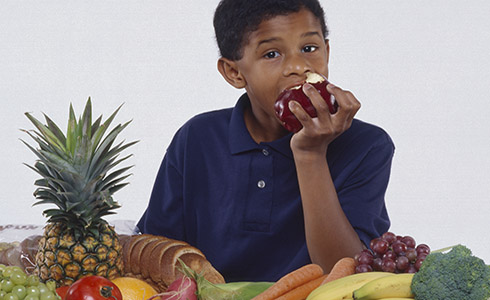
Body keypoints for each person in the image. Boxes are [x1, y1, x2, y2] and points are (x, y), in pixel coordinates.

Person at [137, 0, 395, 282]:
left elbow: (345, 273)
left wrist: (310, 155)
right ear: (234, 73)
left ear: (327, 51)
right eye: (272, 54)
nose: (298, 66)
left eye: (309, 49)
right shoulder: (197, 138)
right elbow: (157, 254)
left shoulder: (368, 145)